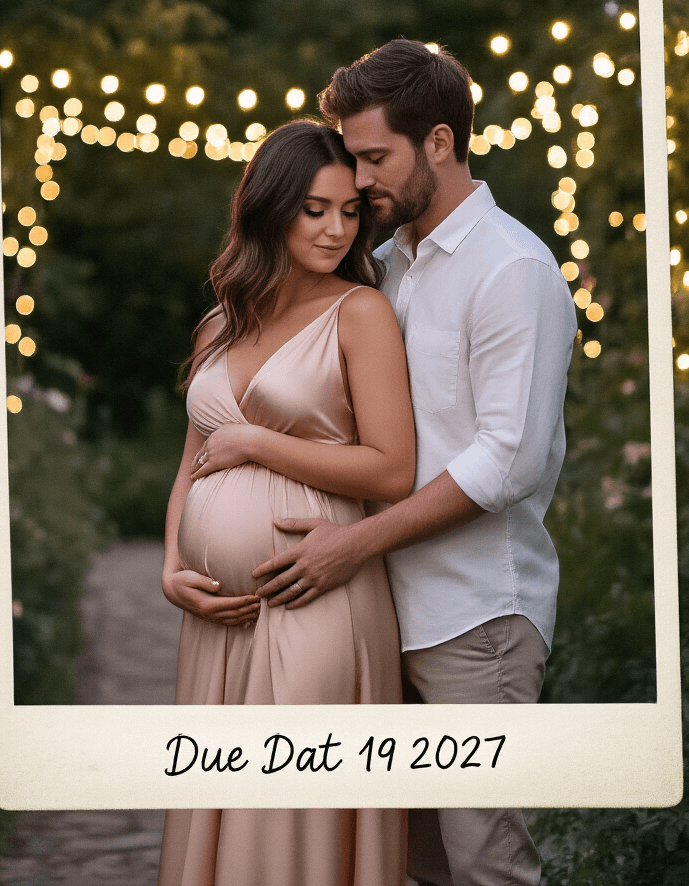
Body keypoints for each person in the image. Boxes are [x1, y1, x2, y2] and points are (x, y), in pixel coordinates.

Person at [251, 40, 579, 886]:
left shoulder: (511, 269)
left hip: (476, 624)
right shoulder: (390, 265)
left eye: (373, 158)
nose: (357, 182)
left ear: (439, 142)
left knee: (486, 866)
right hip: (383, 620)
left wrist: (350, 546)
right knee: (415, 867)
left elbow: (508, 461)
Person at [157, 119, 416, 886]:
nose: (338, 228)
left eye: (349, 211)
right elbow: (193, 465)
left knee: (290, 821)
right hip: (218, 623)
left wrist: (261, 445)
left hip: (315, 596)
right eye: (315, 209)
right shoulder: (218, 325)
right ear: (270, 208)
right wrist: (172, 567)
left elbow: (391, 469)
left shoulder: (359, 313)